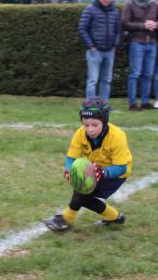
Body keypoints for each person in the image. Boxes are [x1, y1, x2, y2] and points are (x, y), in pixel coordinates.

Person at [43, 96, 133, 231]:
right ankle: (114, 217)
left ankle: (65, 220)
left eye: (95, 125)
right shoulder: (80, 134)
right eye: (86, 125)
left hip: (115, 173)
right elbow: (71, 158)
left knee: (82, 193)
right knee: (83, 194)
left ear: (105, 122)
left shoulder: (118, 136)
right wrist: (68, 170)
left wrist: (102, 172)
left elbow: (121, 167)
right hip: (94, 168)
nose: (90, 129)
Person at [122, 0, 158, 111]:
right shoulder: (130, 3)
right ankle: (132, 103)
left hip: (152, 43)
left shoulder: (154, 4)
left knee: (148, 74)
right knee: (134, 74)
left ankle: (145, 102)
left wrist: (156, 24)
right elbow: (124, 23)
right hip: (136, 42)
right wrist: (143, 26)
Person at [78, 0, 121, 101]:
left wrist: (115, 45)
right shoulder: (90, 9)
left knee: (106, 80)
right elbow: (82, 28)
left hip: (110, 51)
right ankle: (91, 106)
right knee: (93, 80)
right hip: (95, 52)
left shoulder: (115, 11)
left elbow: (118, 30)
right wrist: (91, 46)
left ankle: (104, 105)